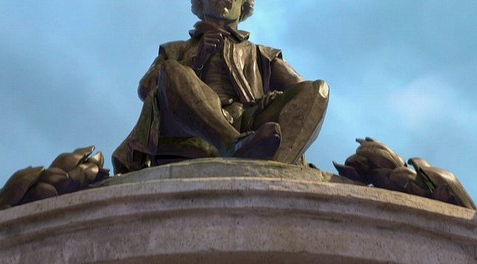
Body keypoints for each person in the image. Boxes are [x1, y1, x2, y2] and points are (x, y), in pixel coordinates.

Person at [113, 0, 329, 173]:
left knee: (318, 89)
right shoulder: (176, 49)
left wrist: (276, 97)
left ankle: (274, 169)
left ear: (244, 4)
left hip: (249, 122)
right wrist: (195, 61)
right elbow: (146, 88)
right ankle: (231, 144)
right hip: (190, 127)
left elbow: (303, 91)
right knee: (170, 70)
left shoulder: (263, 54)